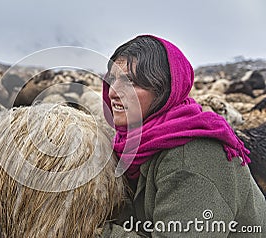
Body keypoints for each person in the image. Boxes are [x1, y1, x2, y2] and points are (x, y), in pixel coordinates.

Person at [100, 35, 266, 237]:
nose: (113, 92)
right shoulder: (131, 145)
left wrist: (94, 230)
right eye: (113, 80)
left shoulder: (192, 159)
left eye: (132, 82)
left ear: (164, 90)